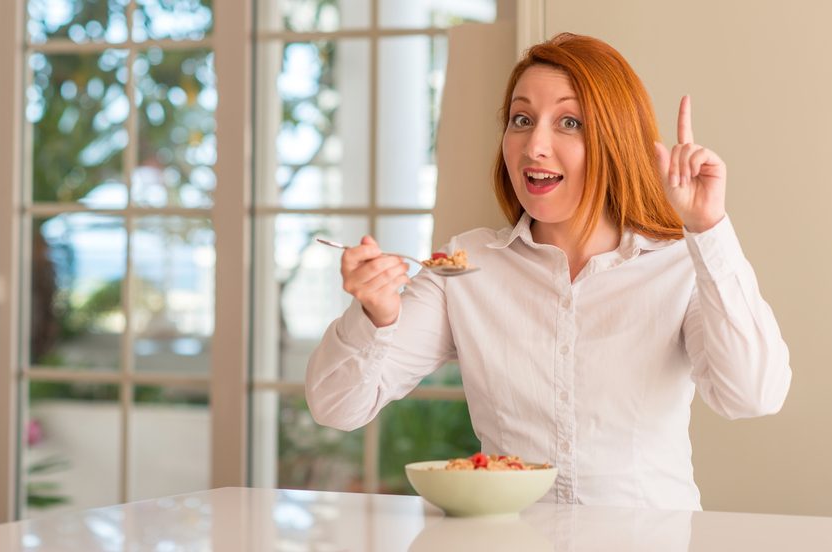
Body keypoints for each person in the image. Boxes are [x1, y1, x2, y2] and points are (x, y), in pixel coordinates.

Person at [305, 32, 791, 511]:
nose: (534, 145)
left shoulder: (679, 265)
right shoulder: (467, 267)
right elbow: (337, 406)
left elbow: (751, 395)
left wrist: (708, 229)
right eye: (521, 119)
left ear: (615, 139)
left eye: (569, 122)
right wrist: (376, 314)